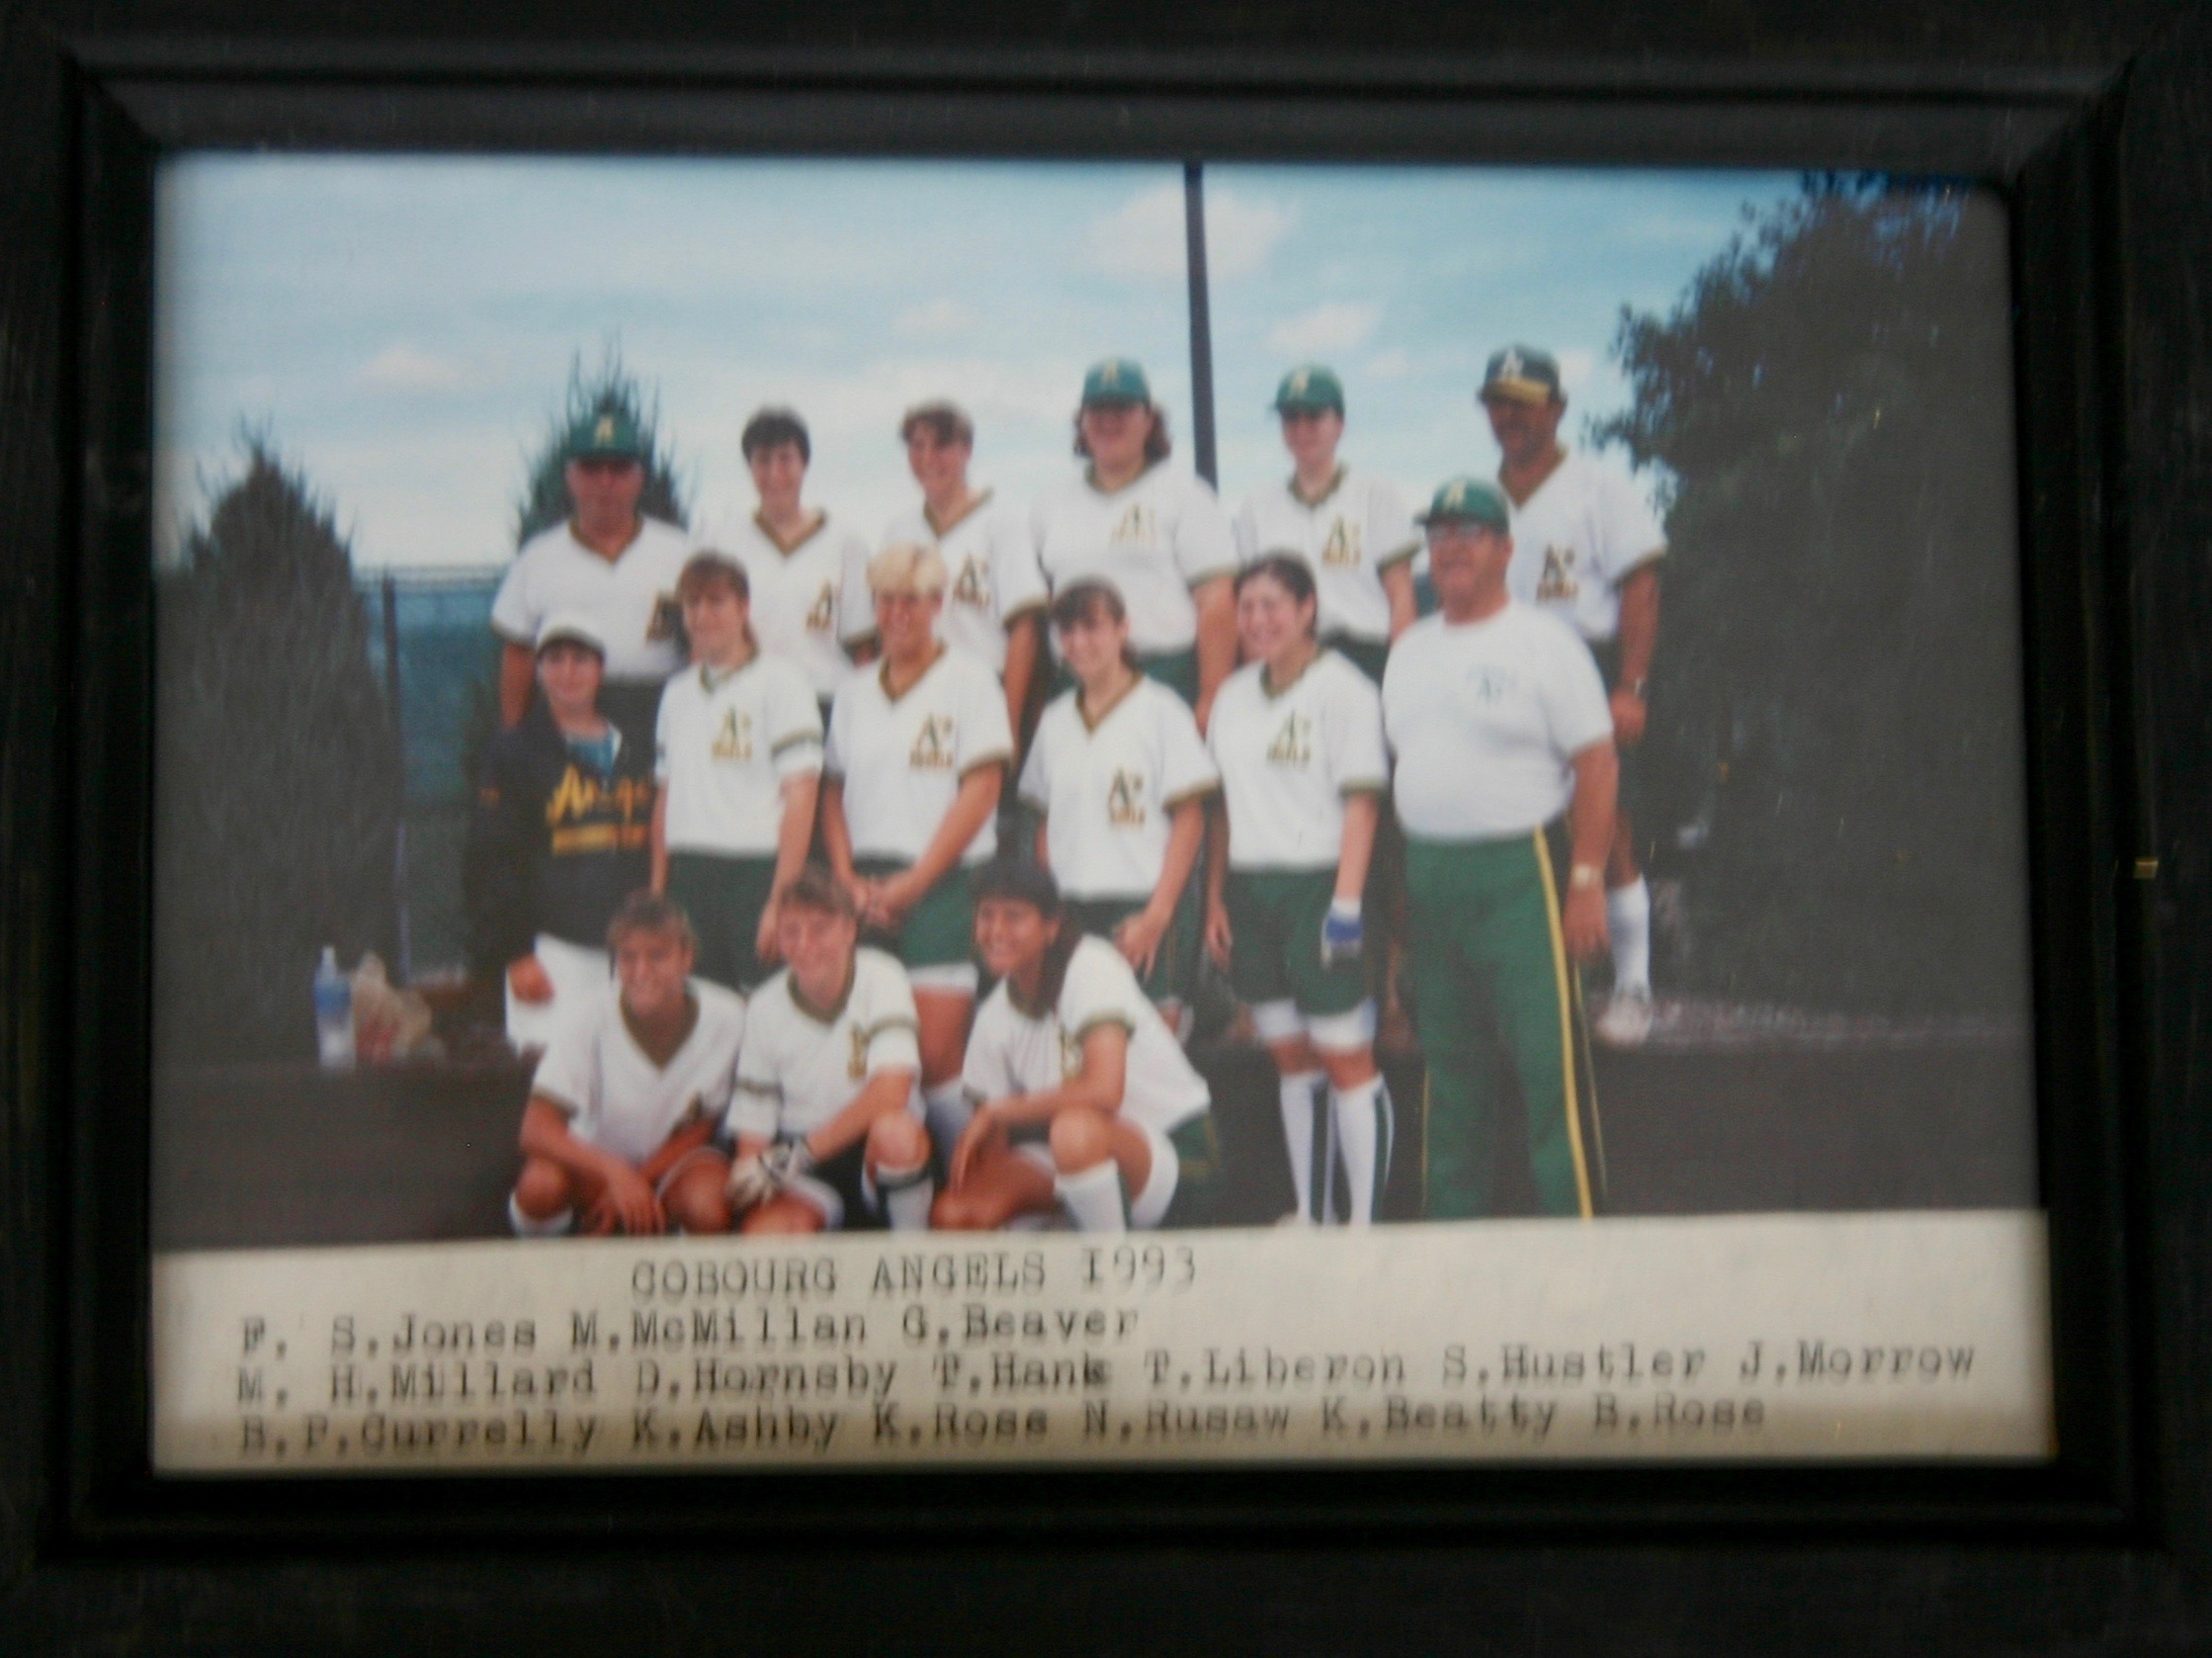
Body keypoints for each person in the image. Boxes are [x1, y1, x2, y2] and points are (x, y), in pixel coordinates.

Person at [1383, 477, 1618, 1221]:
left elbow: (1598, 765)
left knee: (1550, 1071)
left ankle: (1580, 1245)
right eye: (1439, 533)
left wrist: (1585, 881)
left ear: (1505, 548)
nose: (1450, 546)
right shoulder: (1410, 648)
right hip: (1432, 877)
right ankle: (1454, 1243)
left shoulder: (1546, 642)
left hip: (1524, 872)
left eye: (1470, 532)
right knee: (1451, 1074)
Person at [1480, 345, 1667, 1046]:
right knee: (1513, 829)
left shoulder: (1597, 486)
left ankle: (1634, 985)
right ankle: (1540, 989)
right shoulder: (1482, 494)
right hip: (1502, 670)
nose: (1510, 417)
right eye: (1498, 403)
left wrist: (1632, 685)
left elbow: (1641, 585)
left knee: (1607, 828)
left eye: (1524, 403)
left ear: (1556, 408)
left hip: (1585, 665)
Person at [1203, 556, 1393, 1225]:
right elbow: (1221, 806)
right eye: (1246, 607)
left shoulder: (1344, 690)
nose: (1258, 620)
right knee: (1292, 1060)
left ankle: (1364, 1231)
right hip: (1253, 893)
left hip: (1320, 887)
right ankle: (1315, 1217)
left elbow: (1363, 804)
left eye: (1272, 604)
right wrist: (1216, 897)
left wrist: (1344, 907)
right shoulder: (1231, 696)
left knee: (1347, 1058)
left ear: (1308, 607)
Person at [819, 544, 1013, 1161]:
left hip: (943, 883)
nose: (899, 612)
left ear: (937, 604)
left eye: (913, 599)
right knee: (877, 1055)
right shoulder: (852, 691)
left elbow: (982, 790)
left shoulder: (971, 679)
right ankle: (902, 1191)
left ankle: (978, 1178)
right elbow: (831, 790)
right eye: (887, 599)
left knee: (934, 1058)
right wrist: (847, 877)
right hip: (864, 886)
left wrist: (917, 880)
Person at [935, 858, 1220, 1234]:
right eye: (986, 915)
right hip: (1077, 1160)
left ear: (1051, 927)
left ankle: (1110, 1275)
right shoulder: (994, 1014)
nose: (997, 930)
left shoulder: (1091, 964)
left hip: (1177, 1151)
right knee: (955, 1216)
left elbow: (1104, 1093)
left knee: (1074, 1130)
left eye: (1014, 916)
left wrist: (997, 1111)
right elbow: (992, 1145)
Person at [1019, 580, 1219, 1028]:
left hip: (1142, 901)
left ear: (1123, 629)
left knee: (1152, 1041)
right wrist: (1055, 907)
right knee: (1081, 1033)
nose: (1078, 642)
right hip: (1074, 906)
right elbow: (1045, 825)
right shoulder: (1054, 721)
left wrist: (1158, 914)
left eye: (1092, 628)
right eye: (1067, 632)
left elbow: (1190, 819)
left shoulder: (1162, 710)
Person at [465, 613, 657, 1055]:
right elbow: (490, 860)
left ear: (600, 669)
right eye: (554, 659)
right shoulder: (514, 752)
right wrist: (515, 953)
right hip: (555, 952)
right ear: (538, 669)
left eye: (580, 659)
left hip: (632, 948)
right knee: (552, 1084)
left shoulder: (635, 747)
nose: (568, 672)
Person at [508, 891, 745, 1238]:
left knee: (708, 1204)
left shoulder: (728, 1015)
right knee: (540, 1186)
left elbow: (702, 1123)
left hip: (670, 1168)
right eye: (628, 958)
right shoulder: (588, 1017)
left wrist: (637, 1183)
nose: (641, 971)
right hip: (596, 1166)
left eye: (658, 956)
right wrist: (616, 1174)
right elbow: (535, 1129)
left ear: (687, 957)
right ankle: (548, 1275)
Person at [723, 866, 935, 1235]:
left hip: (870, 1153)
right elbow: (753, 1131)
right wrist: (751, 1179)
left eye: (820, 929)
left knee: (896, 1133)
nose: (805, 945)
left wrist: (798, 1155)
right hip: (807, 1174)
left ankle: (909, 1253)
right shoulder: (764, 1004)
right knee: (765, 1241)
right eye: (792, 931)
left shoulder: (882, 975)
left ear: (850, 930)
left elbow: (892, 1091)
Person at [1029, 358, 1239, 729]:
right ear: (1081, 421)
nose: (1109, 421)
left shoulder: (1186, 495)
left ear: (1149, 419)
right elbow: (1037, 609)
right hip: (1074, 684)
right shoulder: (1049, 505)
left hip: (1164, 678)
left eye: (1123, 409)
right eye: (1097, 410)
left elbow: (1217, 602)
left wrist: (1211, 698)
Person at [649, 552, 822, 993]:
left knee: (766, 1007)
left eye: (715, 602)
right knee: (703, 1012)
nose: (702, 615)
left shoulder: (783, 682)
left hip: (754, 872)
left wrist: (780, 901)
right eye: (691, 604)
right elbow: (665, 797)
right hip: (690, 872)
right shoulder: (676, 693)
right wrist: (658, 893)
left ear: (743, 608)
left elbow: (801, 796)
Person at [489, 404, 694, 753]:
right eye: (591, 468)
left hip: (663, 711)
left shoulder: (682, 552)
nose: (605, 481)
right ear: (570, 477)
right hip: (566, 712)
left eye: (619, 468)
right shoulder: (538, 558)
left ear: (640, 477)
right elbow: (519, 653)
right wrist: (515, 738)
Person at [1231, 365, 1419, 682]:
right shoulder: (1257, 505)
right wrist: (1256, 676)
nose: (1302, 429)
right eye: (1292, 419)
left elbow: (1401, 596)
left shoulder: (1375, 493)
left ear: (1339, 425)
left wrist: (1402, 675)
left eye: (1314, 417)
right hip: (1284, 653)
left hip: (1363, 653)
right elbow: (1245, 603)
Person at [879, 400, 1050, 752]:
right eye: (917, 446)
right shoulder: (898, 530)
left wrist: (1009, 719)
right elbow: (887, 627)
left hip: (983, 691)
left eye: (941, 445)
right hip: (916, 689)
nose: (928, 458)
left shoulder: (1001, 520)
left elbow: (1025, 628)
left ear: (966, 450)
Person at [712, 406, 875, 711]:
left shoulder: (846, 543)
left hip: (823, 698)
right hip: (744, 699)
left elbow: (863, 648)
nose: (775, 474)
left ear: (805, 464)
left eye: (786, 459)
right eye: (762, 460)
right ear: (749, 466)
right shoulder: (721, 541)